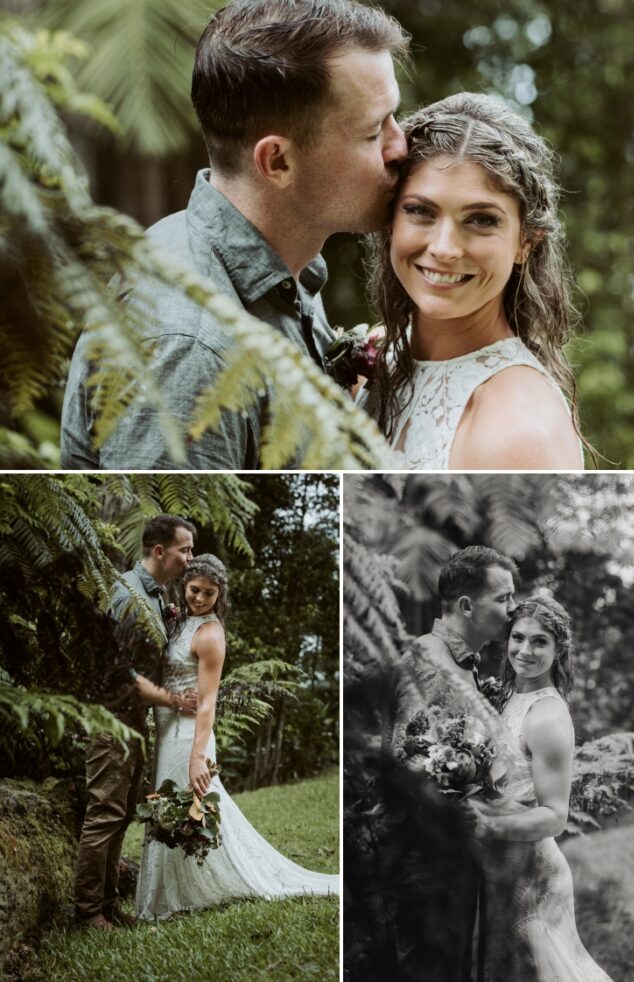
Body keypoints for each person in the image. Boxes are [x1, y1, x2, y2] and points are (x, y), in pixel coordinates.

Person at [61, 0, 410, 469]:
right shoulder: (192, 350)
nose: (400, 146)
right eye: (373, 132)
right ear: (278, 162)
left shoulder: (282, 265)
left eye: (394, 118)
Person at [361, 93, 586, 470]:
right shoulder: (374, 358)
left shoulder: (520, 431)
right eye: (420, 211)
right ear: (390, 222)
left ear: (525, 243)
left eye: (481, 220)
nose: (445, 248)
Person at [135, 554, 337, 919]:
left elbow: (209, 702)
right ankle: (174, 893)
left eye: (208, 594)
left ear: (219, 594)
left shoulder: (210, 634)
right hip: (167, 730)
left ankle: (178, 897)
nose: (199, 598)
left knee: (187, 809)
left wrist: (199, 756)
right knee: (174, 809)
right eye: (194, 589)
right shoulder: (181, 621)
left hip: (188, 735)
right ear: (184, 585)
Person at [388, 545, 518, 982]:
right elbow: (407, 754)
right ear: (466, 605)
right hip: (426, 857)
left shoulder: (469, 665)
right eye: (503, 599)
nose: (512, 609)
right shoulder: (428, 658)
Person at [469, 596, 611, 981]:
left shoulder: (547, 717)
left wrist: (484, 826)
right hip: (496, 867)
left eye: (539, 642)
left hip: (530, 876)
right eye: (518, 637)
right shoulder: (503, 696)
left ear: (559, 648)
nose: (524, 650)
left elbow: (554, 817)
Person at [73, 514, 198, 930]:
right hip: (111, 719)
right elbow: (123, 672)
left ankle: (106, 906)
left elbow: (150, 649)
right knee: (105, 812)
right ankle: (88, 912)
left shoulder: (156, 595)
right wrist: (172, 699)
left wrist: (172, 619)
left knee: (123, 812)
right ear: (160, 551)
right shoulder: (130, 596)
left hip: (132, 723)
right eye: (185, 549)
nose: (190, 558)